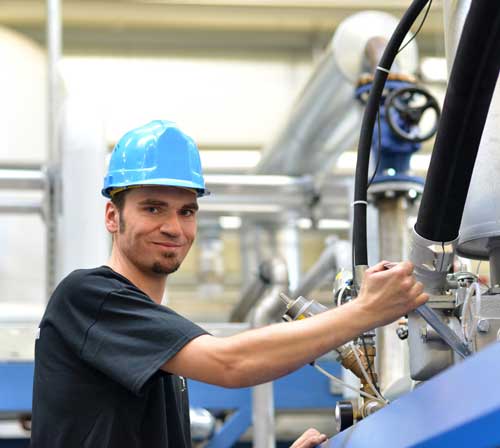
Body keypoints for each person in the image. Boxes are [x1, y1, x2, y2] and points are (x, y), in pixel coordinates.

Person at [30, 120, 428, 448]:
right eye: (153, 208)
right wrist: (365, 311)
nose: (173, 227)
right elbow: (230, 363)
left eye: (187, 212)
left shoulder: (157, 351)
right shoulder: (88, 297)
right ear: (112, 217)